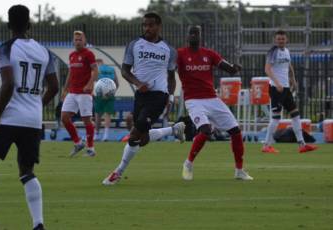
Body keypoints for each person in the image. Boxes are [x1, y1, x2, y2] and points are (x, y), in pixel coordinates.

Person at [0, 5, 58, 230]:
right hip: (32, 120)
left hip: (9, 119)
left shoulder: (4, 49)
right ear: (29, 24)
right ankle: (38, 224)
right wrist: (36, 107)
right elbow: (54, 87)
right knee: (27, 172)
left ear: (8, 24)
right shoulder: (45, 52)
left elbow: (8, 83)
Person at [102, 12, 185, 186]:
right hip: (141, 95)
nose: (147, 28)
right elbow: (125, 70)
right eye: (144, 25)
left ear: (158, 26)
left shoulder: (169, 50)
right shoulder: (134, 45)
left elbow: (171, 77)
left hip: (158, 96)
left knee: (134, 135)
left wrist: (169, 97)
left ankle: (117, 172)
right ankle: (174, 130)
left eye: (150, 25)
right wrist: (138, 83)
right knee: (143, 138)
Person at [177, 25, 253, 181]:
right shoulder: (180, 54)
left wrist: (235, 68)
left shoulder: (209, 54)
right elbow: (169, 69)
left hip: (212, 99)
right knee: (205, 130)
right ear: (187, 36)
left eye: (196, 33)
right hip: (193, 101)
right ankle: (188, 164)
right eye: (191, 33)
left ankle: (239, 170)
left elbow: (228, 69)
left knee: (236, 131)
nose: (193, 36)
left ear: (200, 36)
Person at [262, 30, 317, 154]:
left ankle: (302, 145)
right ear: (275, 40)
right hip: (276, 89)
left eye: (283, 39)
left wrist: (293, 79)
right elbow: (267, 69)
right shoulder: (273, 51)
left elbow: (289, 65)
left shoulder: (286, 51)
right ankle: (266, 145)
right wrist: (277, 83)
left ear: (286, 40)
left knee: (296, 115)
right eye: (279, 39)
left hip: (286, 89)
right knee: (276, 118)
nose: (281, 41)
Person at [61, 30, 98, 157]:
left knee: (86, 119)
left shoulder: (89, 54)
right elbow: (71, 73)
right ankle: (78, 142)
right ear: (73, 41)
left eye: (80, 39)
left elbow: (95, 70)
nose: (77, 42)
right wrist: (65, 89)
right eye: (75, 39)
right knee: (64, 117)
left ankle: (91, 148)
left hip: (84, 93)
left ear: (85, 41)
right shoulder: (71, 55)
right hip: (72, 92)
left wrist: (89, 84)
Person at [94, 59, 119, 141]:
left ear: (97, 63)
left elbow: (93, 80)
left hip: (100, 94)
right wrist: (112, 92)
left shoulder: (97, 69)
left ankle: (96, 134)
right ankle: (106, 135)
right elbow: (117, 83)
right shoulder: (112, 69)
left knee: (98, 114)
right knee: (107, 114)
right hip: (110, 94)